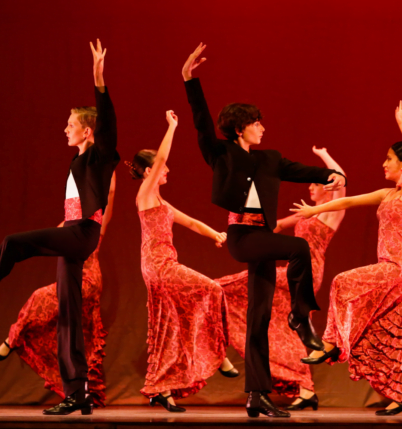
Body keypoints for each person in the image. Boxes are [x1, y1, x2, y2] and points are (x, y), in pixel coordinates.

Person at [0, 39, 118, 416]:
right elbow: (74, 207)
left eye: (71, 125)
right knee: (68, 314)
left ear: (88, 132)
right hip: (73, 234)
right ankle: (77, 394)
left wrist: (98, 77)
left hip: (82, 236)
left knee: (12, 243)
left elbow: (107, 121)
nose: (64, 129)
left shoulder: (99, 157)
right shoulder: (77, 162)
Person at [182, 43, 347, 418]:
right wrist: (189, 80)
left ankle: (257, 395)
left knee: (258, 320)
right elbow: (201, 123)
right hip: (243, 238)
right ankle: (301, 320)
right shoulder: (221, 154)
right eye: (257, 123)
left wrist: (331, 175)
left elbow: (301, 170)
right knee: (299, 247)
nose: (263, 128)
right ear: (241, 128)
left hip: (262, 240)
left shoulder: (269, 159)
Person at [293, 100, 402, 416]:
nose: (384, 163)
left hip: (399, 267)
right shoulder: (388, 194)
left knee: (342, 282)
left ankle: (331, 344)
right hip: (391, 268)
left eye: (389, 159)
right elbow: (350, 202)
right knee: (391, 331)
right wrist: (316, 209)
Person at [215, 146, 346, 410]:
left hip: (305, 272)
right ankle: (306, 388)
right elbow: (274, 226)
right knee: (275, 329)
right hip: (293, 271)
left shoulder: (332, 211)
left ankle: (216, 344)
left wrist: (324, 157)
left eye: (314, 184)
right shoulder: (306, 211)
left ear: (325, 187)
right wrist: (238, 231)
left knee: (221, 288)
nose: (310, 187)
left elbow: (340, 178)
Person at [130, 110, 235, 413]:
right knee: (212, 290)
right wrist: (172, 127)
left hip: (161, 264)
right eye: (161, 169)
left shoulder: (161, 200)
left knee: (171, 325)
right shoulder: (145, 194)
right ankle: (219, 351)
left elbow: (189, 222)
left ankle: (161, 390)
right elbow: (161, 159)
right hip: (160, 265)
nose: (167, 171)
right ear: (149, 171)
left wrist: (215, 233)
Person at [0, 172, 115, 409]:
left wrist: (108, 166)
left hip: (87, 282)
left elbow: (110, 193)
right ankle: (88, 397)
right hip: (78, 282)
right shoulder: (68, 224)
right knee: (80, 339)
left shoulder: (96, 222)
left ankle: (12, 339)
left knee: (40, 298)